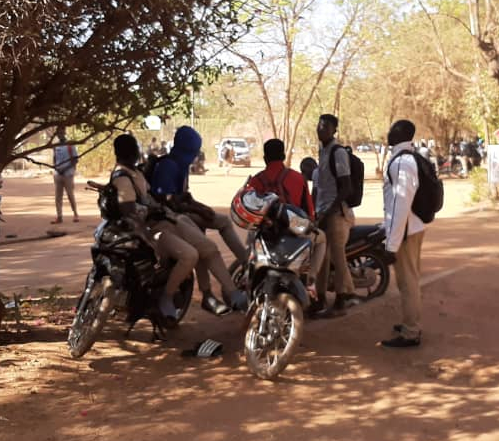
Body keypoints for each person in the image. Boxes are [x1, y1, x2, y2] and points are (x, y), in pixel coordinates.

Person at [149, 125, 247, 310]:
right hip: (169, 218)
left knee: (217, 230)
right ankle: (208, 293)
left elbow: (184, 195)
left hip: (180, 215)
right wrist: (199, 211)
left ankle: (241, 270)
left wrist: (201, 207)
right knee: (201, 246)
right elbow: (167, 201)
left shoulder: (181, 165)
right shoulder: (168, 166)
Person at [110, 134, 199, 321]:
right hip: (146, 228)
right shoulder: (123, 177)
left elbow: (149, 196)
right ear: (134, 152)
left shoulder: (134, 174)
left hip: (153, 222)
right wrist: (146, 234)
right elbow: (130, 211)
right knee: (189, 255)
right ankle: (166, 296)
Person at [247, 139, 326, 289]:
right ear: (283, 156)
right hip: (293, 233)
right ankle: (312, 277)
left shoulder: (256, 181)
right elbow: (309, 213)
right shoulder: (298, 178)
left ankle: (249, 279)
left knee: (249, 245)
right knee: (322, 239)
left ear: (265, 158)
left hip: (265, 235)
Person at [379, 119, 425, 348]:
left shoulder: (401, 163)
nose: (389, 133)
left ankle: (411, 332)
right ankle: (411, 323)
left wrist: (391, 245)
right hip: (412, 227)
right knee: (410, 280)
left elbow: (400, 205)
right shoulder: (407, 158)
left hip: (405, 231)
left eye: (393, 130)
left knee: (408, 283)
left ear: (402, 134)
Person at [310, 114, 356, 317]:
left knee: (338, 258)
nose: (321, 129)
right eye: (319, 125)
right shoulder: (323, 151)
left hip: (336, 214)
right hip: (322, 213)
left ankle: (341, 301)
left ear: (334, 130)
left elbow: (346, 187)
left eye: (326, 126)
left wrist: (329, 211)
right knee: (321, 258)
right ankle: (319, 298)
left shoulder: (338, 153)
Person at [51, 126, 79, 224]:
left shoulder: (70, 145)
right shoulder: (55, 146)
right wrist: (55, 167)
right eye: (59, 133)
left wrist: (66, 168)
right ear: (57, 134)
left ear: (65, 133)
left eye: (62, 132)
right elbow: (54, 158)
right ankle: (59, 216)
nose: (60, 135)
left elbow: (75, 159)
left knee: (70, 195)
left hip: (68, 173)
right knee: (58, 196)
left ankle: (75, 214)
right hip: (58, 173)